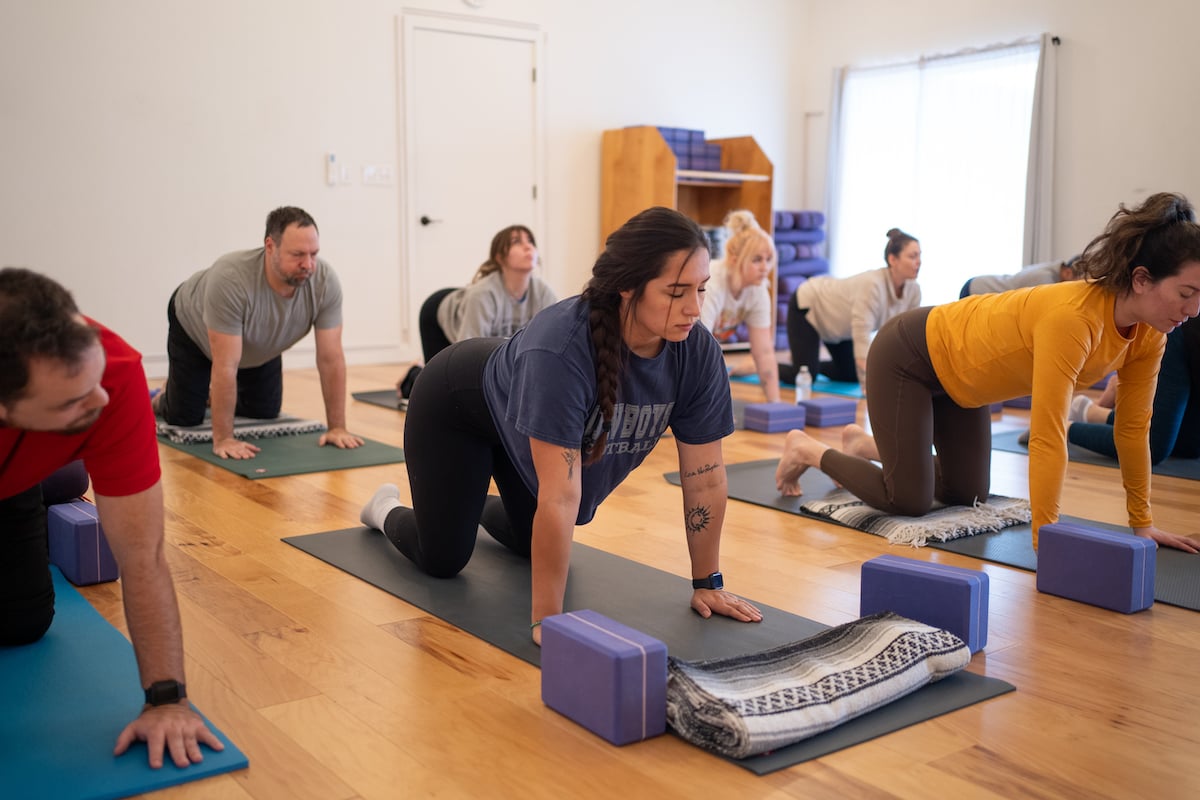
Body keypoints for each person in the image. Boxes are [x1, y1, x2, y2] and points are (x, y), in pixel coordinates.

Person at [360, 206, 764, 643]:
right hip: (456, 406)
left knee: (529, 541)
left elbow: (704, 479)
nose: (694, 308)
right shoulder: (561, 349)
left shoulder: (697, 352)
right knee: (443, 559)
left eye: (702, 290)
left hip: (522, 419)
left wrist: (708, 582)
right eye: (676, 292)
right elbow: (560, 497)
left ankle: (464, 497)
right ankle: (384, 509)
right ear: (628, 286)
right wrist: (547, 620)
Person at [775, 192, 1200, 553]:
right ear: (1142, 280)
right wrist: (1044, 540)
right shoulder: (1074, 319)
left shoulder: (1150, 335)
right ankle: (807, 449)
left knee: (969, 495)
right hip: (910, 354)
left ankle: (865, 444)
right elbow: (1048, 434)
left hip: (964, 386)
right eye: (1186, 293)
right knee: (909, 498)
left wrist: (1142, 524)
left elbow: (1132, 429)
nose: (1193, 310)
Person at [0, 268, 223, 767]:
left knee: (20, 624)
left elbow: (142, 555)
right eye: (74, 399)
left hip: (26, 465)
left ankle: (53, 481)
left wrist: (167, 700)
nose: (100, 400)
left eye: (93, 381)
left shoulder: (113, 376)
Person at [154, 206, 363, 460]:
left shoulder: (325, 281)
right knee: (184, 416)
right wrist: (224, 438)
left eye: (314, 254)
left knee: (263, 411)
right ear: (270, 246)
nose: (308, 264)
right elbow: (226, 365)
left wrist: (337, 427)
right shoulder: (230, 278)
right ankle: (160, 396)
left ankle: (210, 395)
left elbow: (330, 358)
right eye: (297, 254)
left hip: (259, 344)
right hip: (195, 329)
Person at [399, 224, 559, 396]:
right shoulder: (482, 296)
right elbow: (468, 355)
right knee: (436, 389)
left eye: (530, 241)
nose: (528, 246)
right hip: (438, 314)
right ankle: (413, 375)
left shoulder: (544, 293)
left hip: (466, 308)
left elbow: (548, 343)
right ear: (500, 257)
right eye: (516, 242)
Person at [779, 228, 921, 388]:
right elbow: (862, 334)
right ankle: (767, 367)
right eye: (912, 256)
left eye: (919, 255)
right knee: (804, 376)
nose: (919, 261)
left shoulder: (914, 291)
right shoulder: (873, 285)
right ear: (893, 259)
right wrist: (868, 389)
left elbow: (904, 337)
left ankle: (810, 362)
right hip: (809, 305)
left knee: (850, 374)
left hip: (838, 327)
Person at [1066, 314, 1200, 463]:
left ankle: (1090, 411)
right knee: (1151, 446)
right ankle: (1062, 428)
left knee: (1189, 445)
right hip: (1183, 337)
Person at [699, 210, 781, 403]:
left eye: (768, 259)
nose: (765, 267)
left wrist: (775, 404)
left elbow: (764, 352)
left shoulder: (758, 290)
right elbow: (698, 349)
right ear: (734, 259)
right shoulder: (711, 283)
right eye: (756, 260)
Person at [959, 255, 1083, 298]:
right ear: (1067, 273)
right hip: (977, 290)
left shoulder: (1048, 270)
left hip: (978, 284)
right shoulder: (1046, 279)